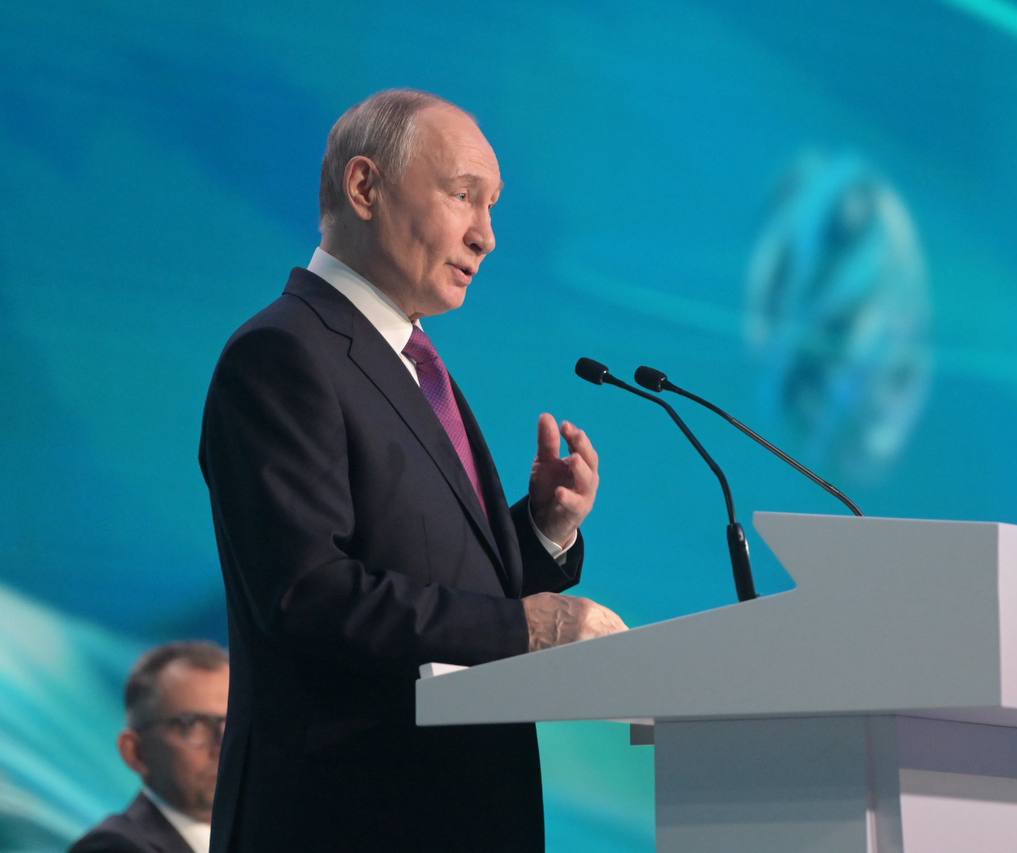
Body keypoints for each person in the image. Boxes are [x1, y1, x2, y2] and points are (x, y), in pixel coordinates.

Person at [198, 88, 627, 852]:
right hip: (346, 819)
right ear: (365, 188)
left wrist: (541, 534)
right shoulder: (282, 354)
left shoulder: (411, 362)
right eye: (464, 196)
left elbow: (432, 578)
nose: (486, 236)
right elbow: (308, 593)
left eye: (493, 206)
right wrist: (529, 626)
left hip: (461, 811)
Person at [71, 641, 230, 853]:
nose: (223, 746)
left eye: (234, 725)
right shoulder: (112, 848)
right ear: (135, 751)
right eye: (193, 725)